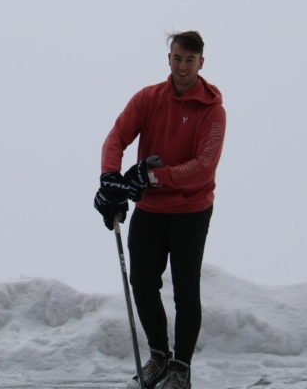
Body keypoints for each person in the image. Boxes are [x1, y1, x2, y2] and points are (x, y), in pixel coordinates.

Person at [93, 31, 226, 389]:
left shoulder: (213, 111)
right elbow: (117, 137)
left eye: (190, 60)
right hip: (151, 210)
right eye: (177, 58)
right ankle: (158, 356)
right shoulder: (149, 99)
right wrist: (110, 179)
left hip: (191, 211)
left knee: (185, 291)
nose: (183, 66)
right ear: (169, 59)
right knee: (142, 283)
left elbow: (203, 166)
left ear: (201, 63)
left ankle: (181, 368)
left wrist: (151, 177)